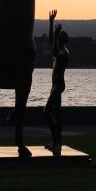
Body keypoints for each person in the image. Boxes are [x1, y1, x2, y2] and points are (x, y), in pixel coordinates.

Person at [44, 9, 69, 156]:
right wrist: (51, 22)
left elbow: (54, 52)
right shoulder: (59, 48)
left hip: (58, 86)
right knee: (57, 115)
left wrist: (55, 34)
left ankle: (56, 142)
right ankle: (56, 143)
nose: (59, 36)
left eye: (61, 35)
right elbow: (50, 41)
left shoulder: (64, 52)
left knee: (46, 112)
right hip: (55, 86)